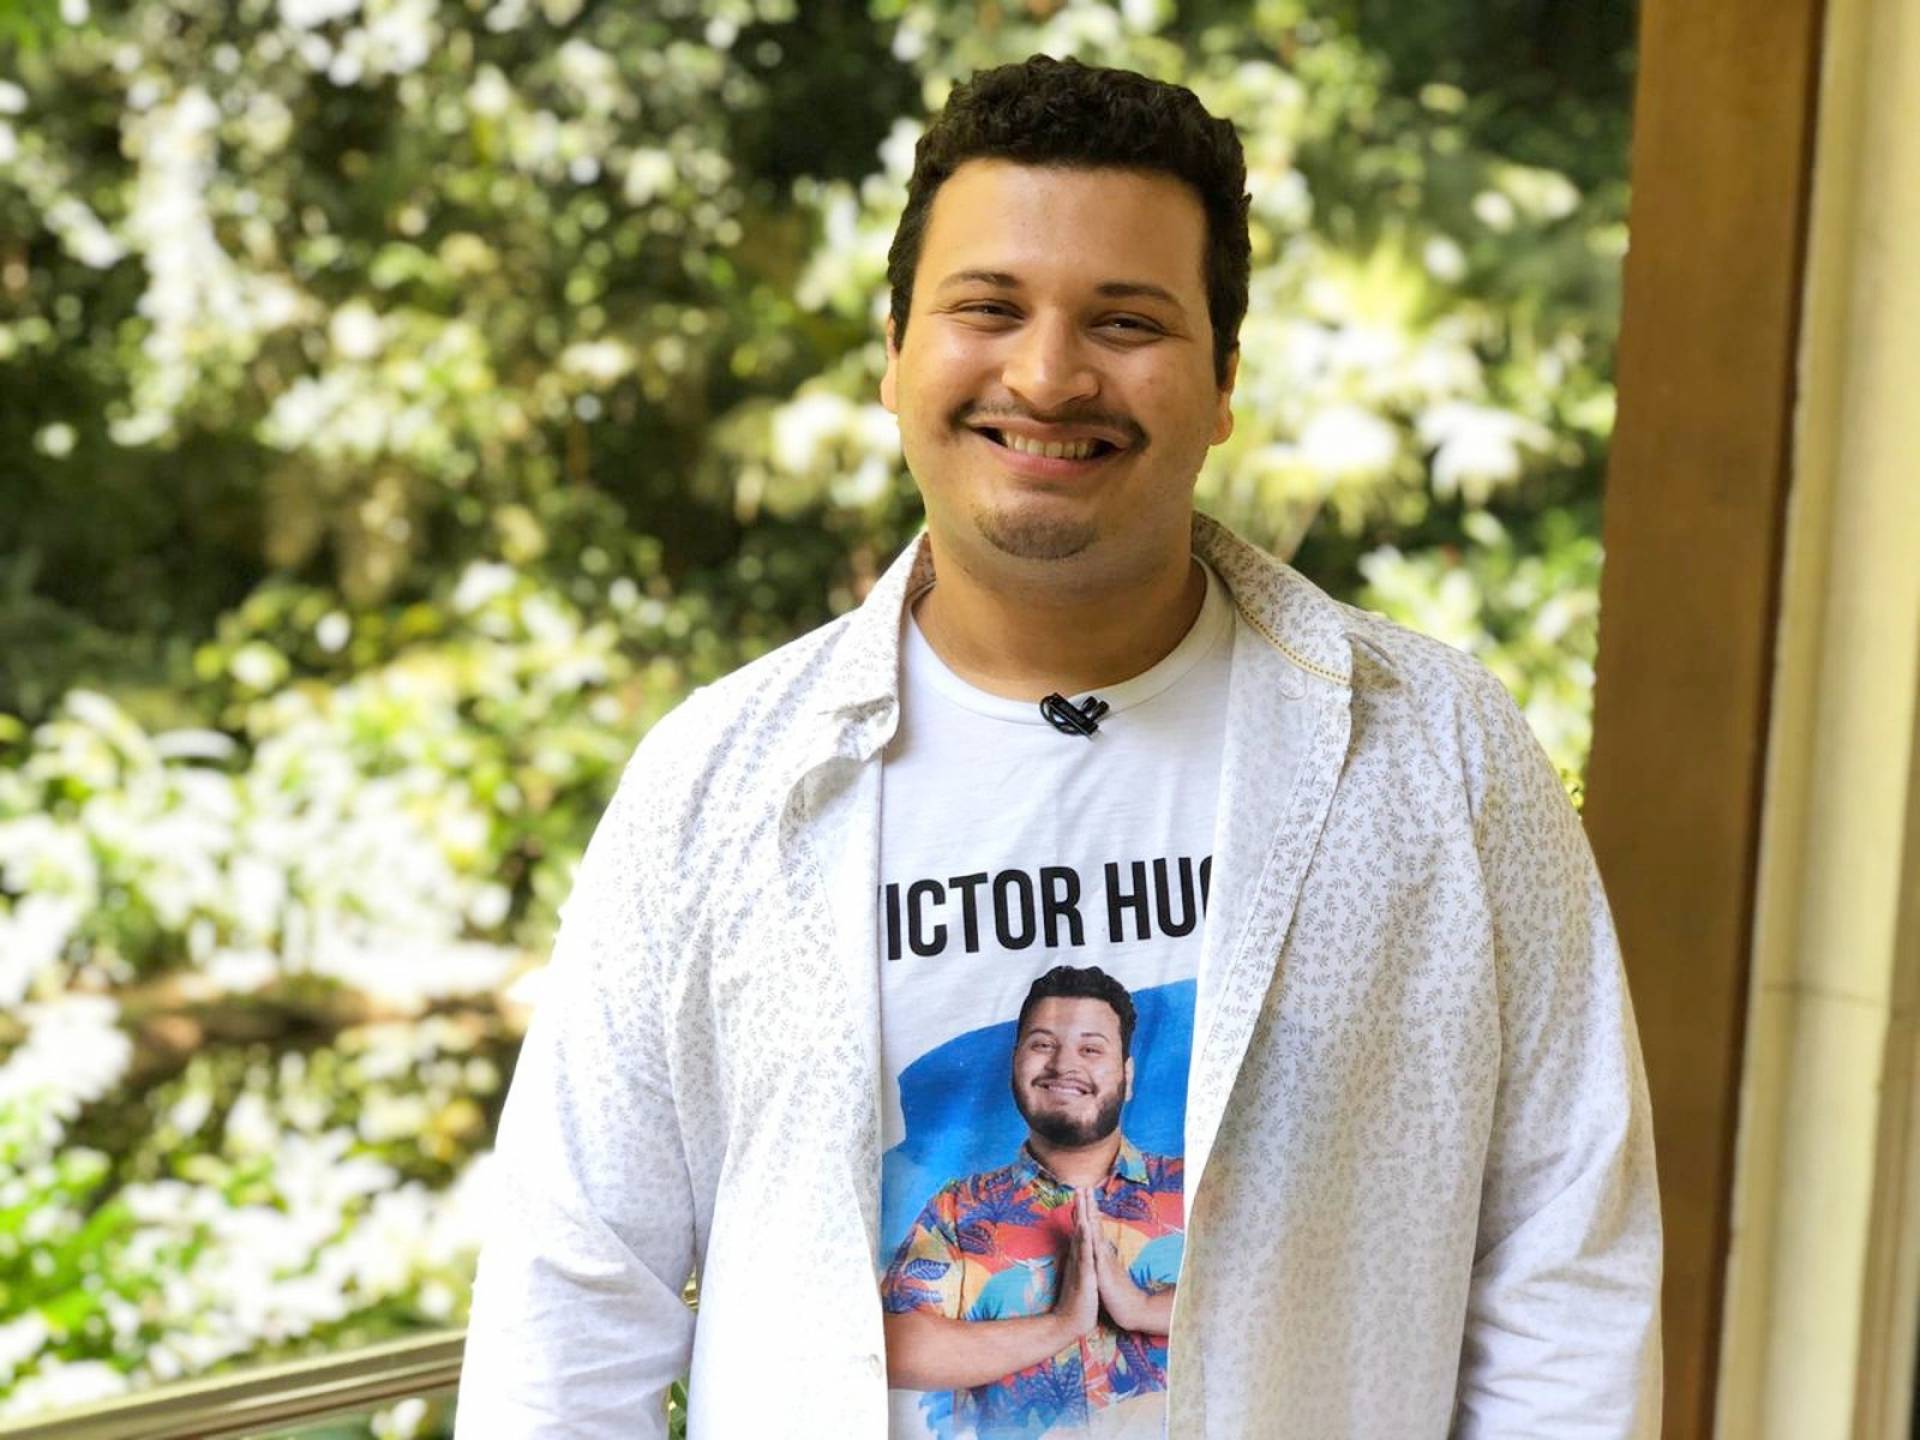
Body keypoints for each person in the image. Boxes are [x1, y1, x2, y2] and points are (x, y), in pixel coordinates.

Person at [458, 54, 1662, 1439]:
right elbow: (573, 1307)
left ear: (1223, 382)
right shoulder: (714, 785)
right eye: (989, 307)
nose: (1045, 375)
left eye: (1126, 321)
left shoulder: (1441, 754)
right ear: (895, 352)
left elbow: (1568, 1270)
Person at [881, 966, 1184, 1439]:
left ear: (1127, 1076)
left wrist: (1142, 1308)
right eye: (1043, 1044)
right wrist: (1061, 1324)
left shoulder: (1194, 1189)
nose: (1064, 1065)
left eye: (1090, 1049)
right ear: (1015, 1065)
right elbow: (894, 1350)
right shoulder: (958, 1211)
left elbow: (1271, 1305)